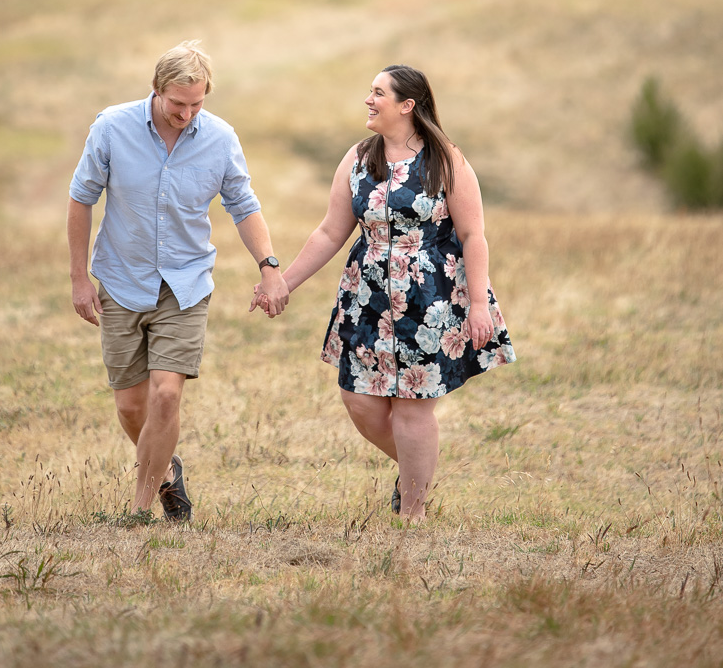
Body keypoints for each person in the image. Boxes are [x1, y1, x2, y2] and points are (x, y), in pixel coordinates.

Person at [252, 64, 515, 522]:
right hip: (368, 297)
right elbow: (331, 231)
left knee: (412, 411)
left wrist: (477, 304)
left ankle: (412, 514)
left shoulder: (446, 159)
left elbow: (474, 236)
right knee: (360, 400)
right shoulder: (358, 158)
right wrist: (283, 282)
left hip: (432, 299)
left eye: (378, 93)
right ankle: (418, 469)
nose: (369, 101)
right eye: (370, 92)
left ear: (407, 105)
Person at [69, 39, 288, 521]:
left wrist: (269, 268)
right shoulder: (112, 128)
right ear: (156, 90)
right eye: (177, 104)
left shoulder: (220, 137)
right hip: (122, 280)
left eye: (197, 104)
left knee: (166, 393)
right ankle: (167, 471)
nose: (187, 114)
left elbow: (244, 206)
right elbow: (81, 199)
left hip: (185, 285)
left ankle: (141, 509)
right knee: (131, 407)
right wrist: (79, 280)